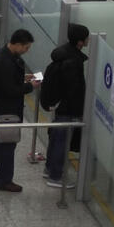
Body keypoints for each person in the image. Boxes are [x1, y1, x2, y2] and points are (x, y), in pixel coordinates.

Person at [0, 28, 38, 192]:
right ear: (18, 45)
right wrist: (30, 86)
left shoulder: (4, 55)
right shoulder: (7, 61)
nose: (26, 51)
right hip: (8, 109)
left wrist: (23, 78)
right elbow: (10, 89)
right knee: (7, 144)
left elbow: (7, 80)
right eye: (26, 48)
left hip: (1, 107)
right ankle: (4, 180)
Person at [44, 23, 89, 188]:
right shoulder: (73, 61)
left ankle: (50, 169)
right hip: (67, 108)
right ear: (80, 42)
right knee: (62, 142)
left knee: (56, 138)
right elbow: (73, 89)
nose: (88, 40)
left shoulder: (63, 54)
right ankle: (56, 176)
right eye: (86, 38)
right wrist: (79, 110)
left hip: (60, 105)